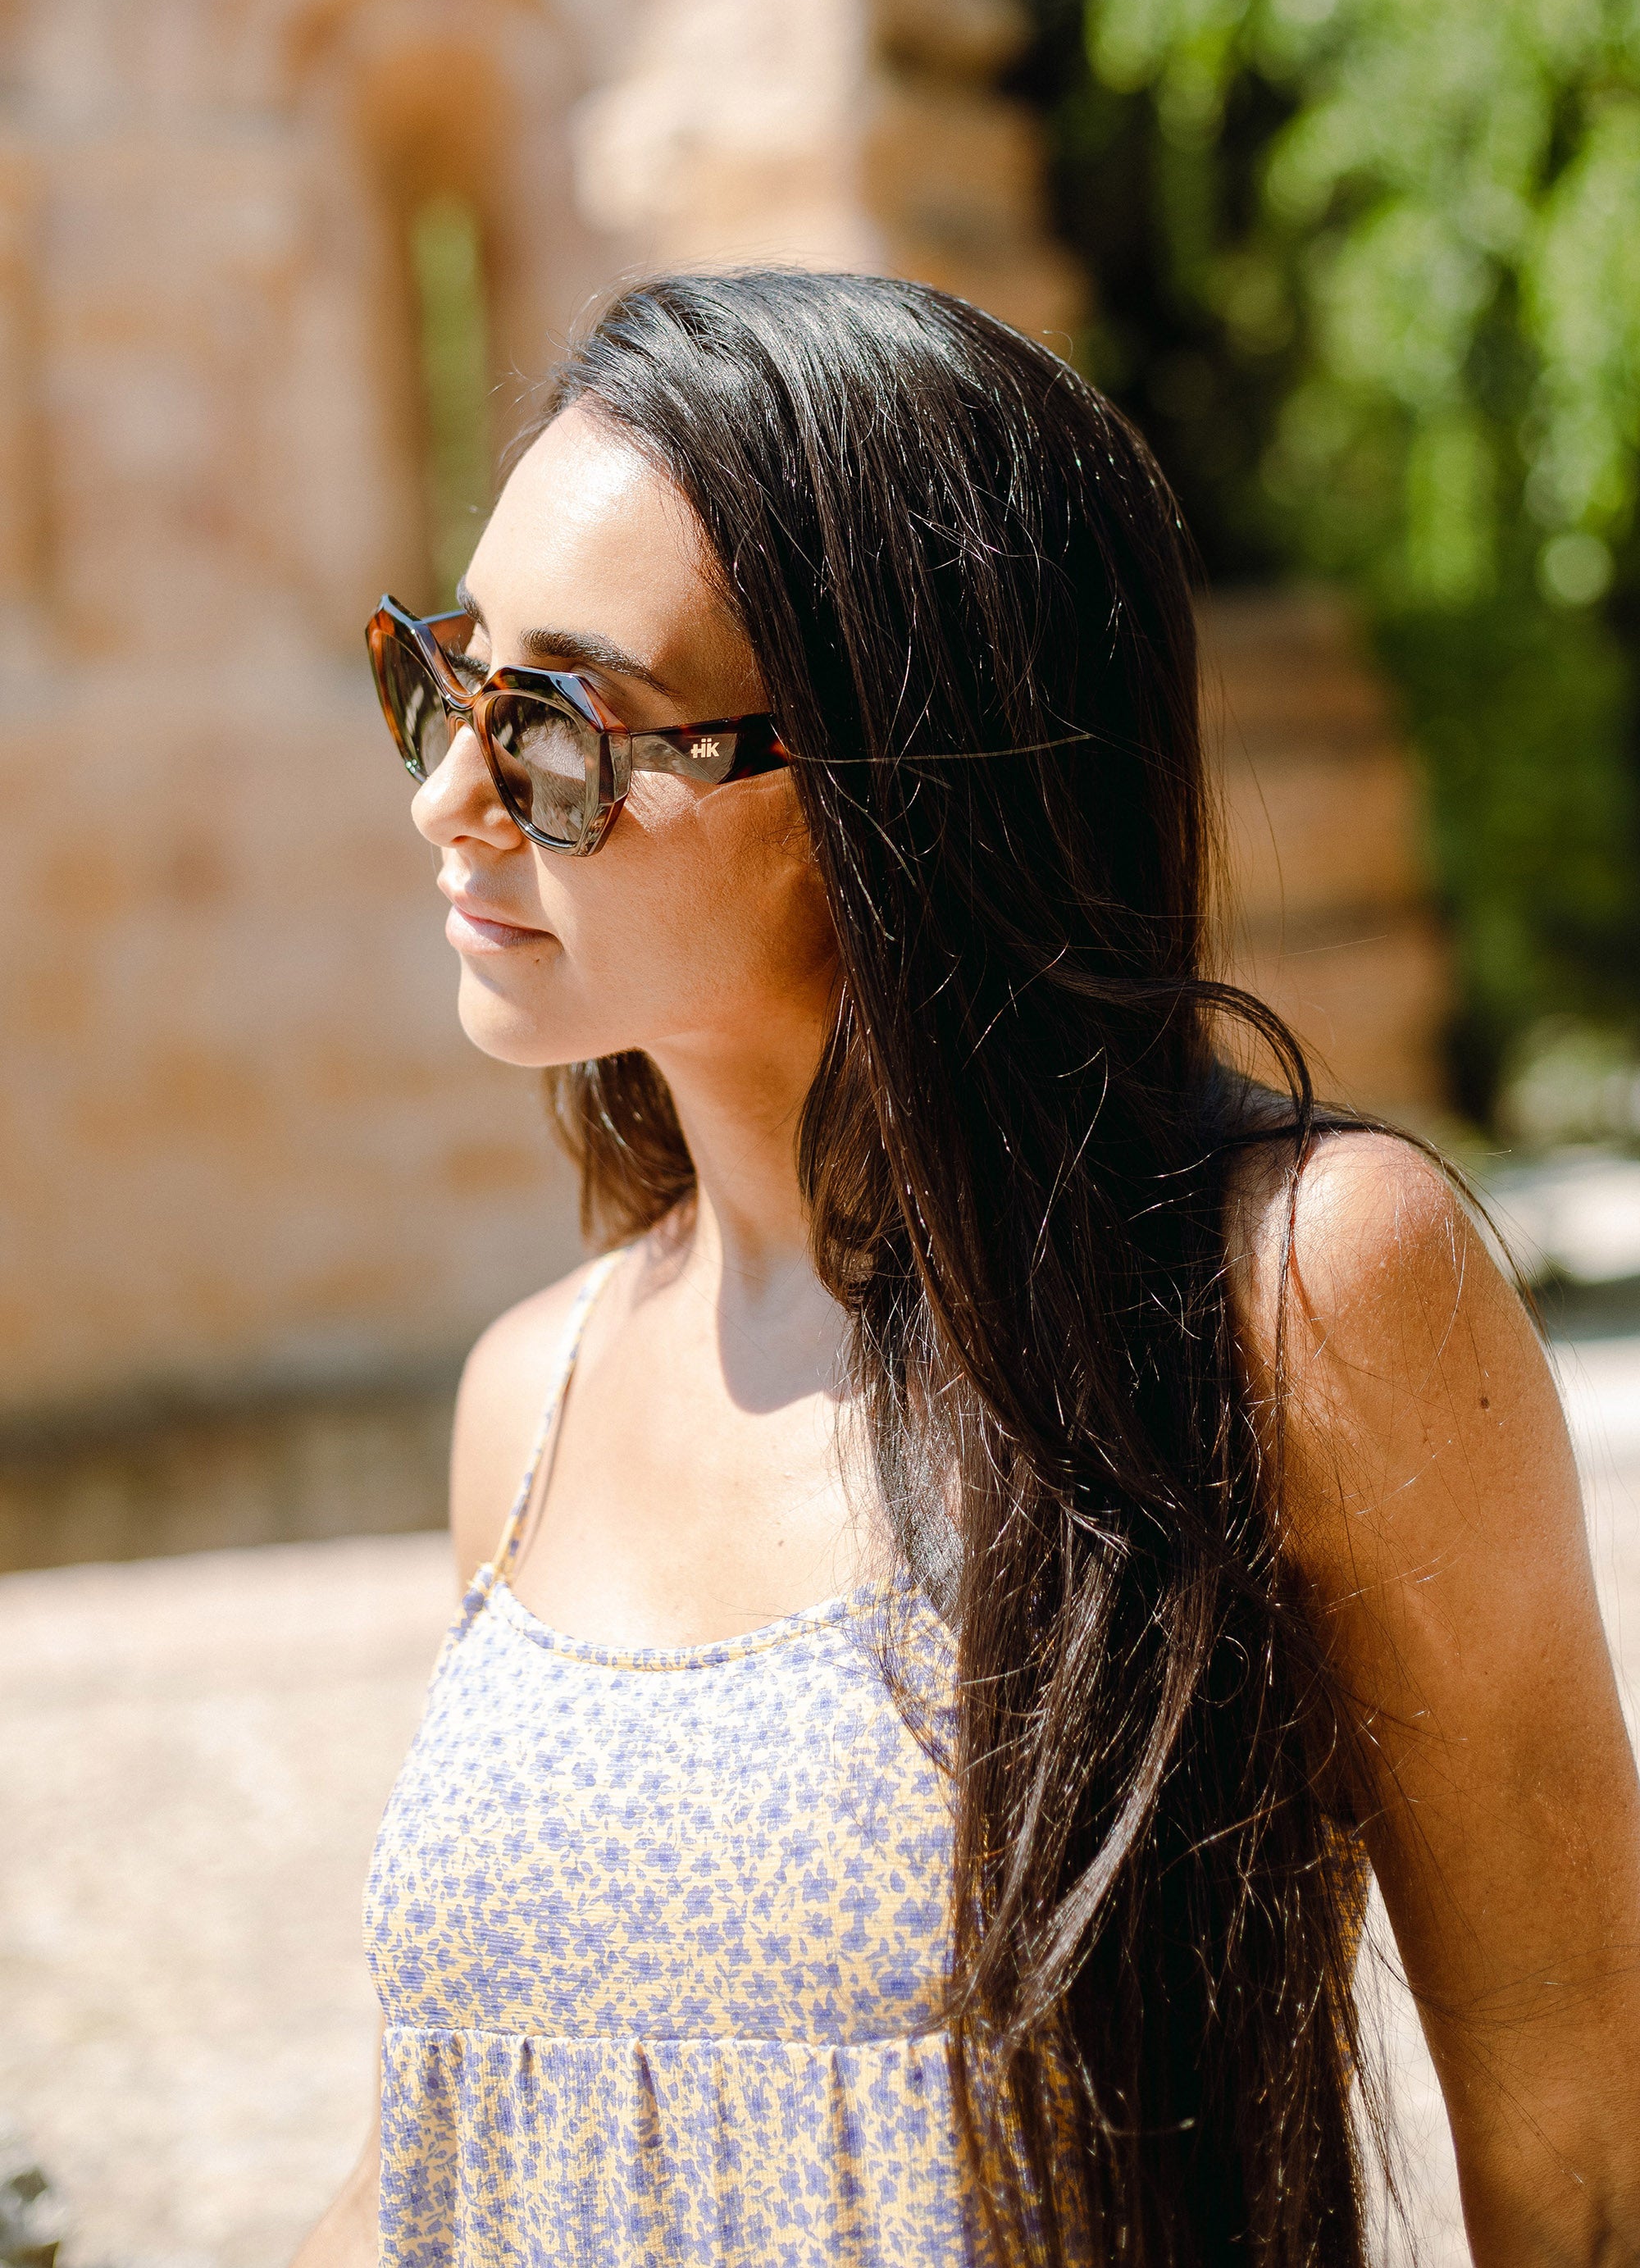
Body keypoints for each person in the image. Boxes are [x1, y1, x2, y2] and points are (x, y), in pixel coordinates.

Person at [296, 271, 1640, 2268]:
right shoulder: (535, 1393)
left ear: (890, 787)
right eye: (447, 680)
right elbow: (453, 2149)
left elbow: (1586, 2163)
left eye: (556, 729)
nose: (447, 797)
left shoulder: (1292, 1297)